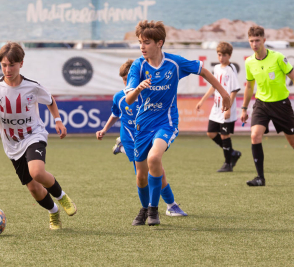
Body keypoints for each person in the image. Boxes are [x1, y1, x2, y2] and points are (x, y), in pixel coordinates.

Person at [125, 20, 231, 226]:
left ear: (159, 43)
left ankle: (154, 211)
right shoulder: (138, 65)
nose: (142, 46)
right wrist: (138, 88)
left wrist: (224, 93)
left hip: (166, 122)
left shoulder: (174, 63)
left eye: (146, 42)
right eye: (140, 42)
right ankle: (145, 208)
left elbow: (203, 71)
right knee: (140, 175)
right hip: (143, 125)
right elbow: (129, 99)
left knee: (154, 158)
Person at [0, 42, 77, 230]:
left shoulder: (32, 87)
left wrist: (58, 120)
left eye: (12, 65)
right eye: (4, 65)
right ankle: (54, 212)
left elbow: (50, 100)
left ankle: (62, 197)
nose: (7, 69)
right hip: (12, 144)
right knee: (33, 188)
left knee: (37, 172)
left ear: (21, 64)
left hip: (33, 135)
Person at [96, 59, 187, 226]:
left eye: (128, 78)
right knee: (144, 175)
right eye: (124, 80)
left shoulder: (149, 94)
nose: (127, 83)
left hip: (148, 133)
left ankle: (169, 205)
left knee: (156, 167)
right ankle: (167, 205)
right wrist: (104, 129)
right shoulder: (121, 97)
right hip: (131, 140)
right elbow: (116, 114)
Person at [241, 26, 294, 186]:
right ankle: (260, 178)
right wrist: (244, 108)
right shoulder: (249, 62)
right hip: (261, 104)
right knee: (255, 135)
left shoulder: (278, 57)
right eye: (251, 41)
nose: (254, 44)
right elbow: (249, 87)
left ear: (264, 40)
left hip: (281, 104)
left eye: (257, 40)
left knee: (292, 142)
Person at [196, 42, 242, 172]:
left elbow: (234, 90)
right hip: (216, 108)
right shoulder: (216, 68)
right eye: (219, 55)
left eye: (224, 55)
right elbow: (214, 86)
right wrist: (202, 100)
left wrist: (228, 108)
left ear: (230, 56)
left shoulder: (230, 69)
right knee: (211, 133)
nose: (222, 58)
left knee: (224, 135)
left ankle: (228, 163)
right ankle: (233, 153)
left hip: (225, 108)